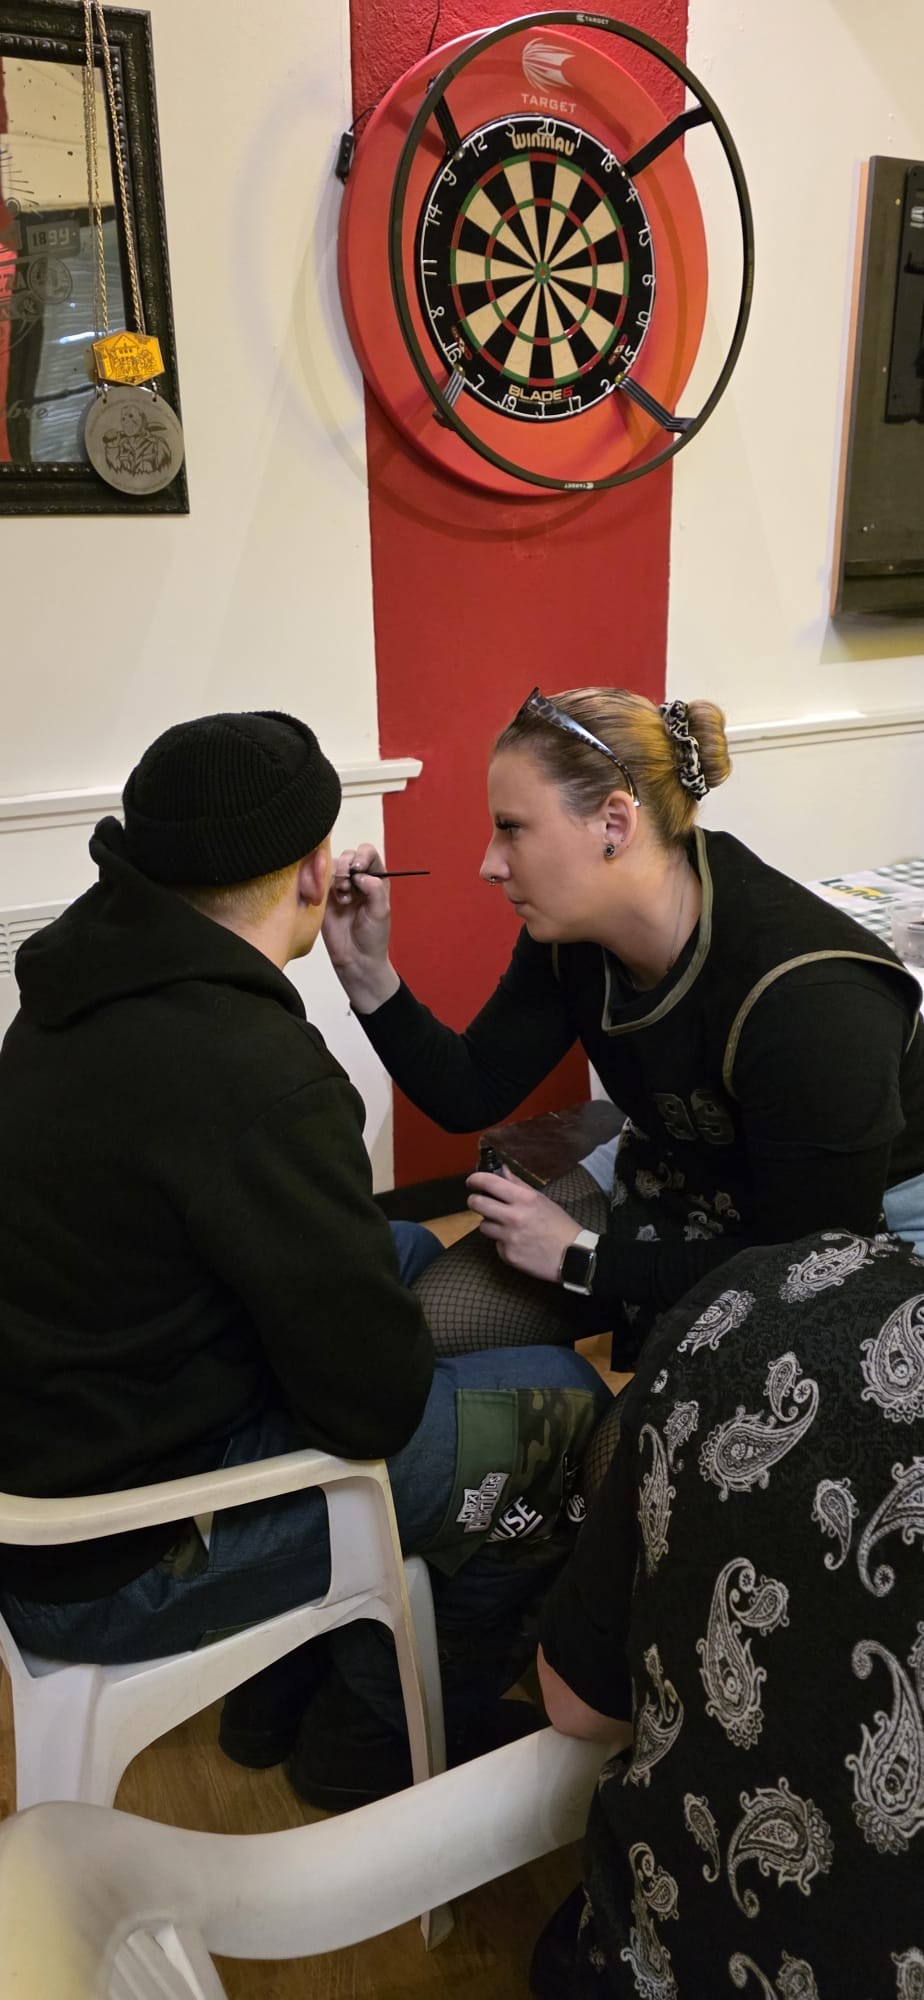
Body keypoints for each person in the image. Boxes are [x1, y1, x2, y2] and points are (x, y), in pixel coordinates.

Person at [0, 708, 612, 1808]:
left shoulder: (74, 990)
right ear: (313, 873)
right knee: (559, 1406)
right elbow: (370, 1407)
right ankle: (372, 1738)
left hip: (67, 1454)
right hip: (119, 1556)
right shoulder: (256, 1072)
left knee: (412, 1246)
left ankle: (277, 1690)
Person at [323, 686, 924, 1366]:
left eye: (512, 828)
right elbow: (471, 1090)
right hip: (677, 1172)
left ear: (614, 823)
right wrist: (364, 970)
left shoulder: (812, 998)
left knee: (657, 1428)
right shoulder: (573, 935)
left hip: (849, 1245)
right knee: (426, 1329)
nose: (490, 864)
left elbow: (807, 1269)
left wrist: (583, 1258)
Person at [529, 1225, 924, 1997]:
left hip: (646, 1955)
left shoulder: (757, 1299)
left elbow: (573, 1701)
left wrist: (590, 1256)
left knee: (561, 1394)